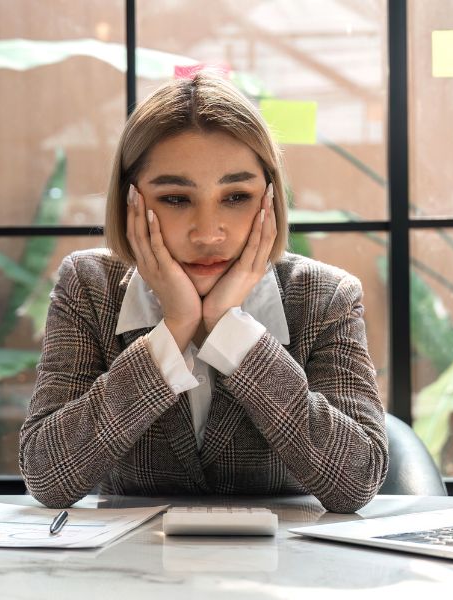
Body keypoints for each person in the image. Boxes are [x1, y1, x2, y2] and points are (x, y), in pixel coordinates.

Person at [19, 72, 388, 513]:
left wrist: (231, 332)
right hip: (130, 571)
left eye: (236, 197)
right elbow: (47, 475)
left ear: (269, 201)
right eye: (176, 198)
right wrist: (174, 329)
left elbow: (356, 482)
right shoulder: (90, 285)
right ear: (130, 201)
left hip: (283, 569)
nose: (209, 234)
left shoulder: (325, 296)